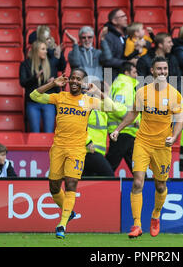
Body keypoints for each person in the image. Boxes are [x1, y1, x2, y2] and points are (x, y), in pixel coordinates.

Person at [29, 67, 117, 239]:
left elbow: (112, 107)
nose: (75, 81)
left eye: (79, 79)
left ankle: (62, 224)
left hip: (77, 149)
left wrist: (97, 91)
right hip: (58, 148)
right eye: (73, 78)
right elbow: (34, 96)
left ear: (83, 82)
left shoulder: (89, 101)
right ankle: (68, 213)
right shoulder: (60, 97)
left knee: (70, 184)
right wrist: (52, 84)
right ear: (68, 81)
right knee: (54, 186)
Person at [109, 56, 183, 238]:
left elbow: (179, 119)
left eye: (165, 69)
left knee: (160, 186)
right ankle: (136, 225)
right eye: (159, 69)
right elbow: (133, 113)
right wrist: (119, 129)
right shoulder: (142, 92)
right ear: (152, 71)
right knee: (137, 182)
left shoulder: (174, 94)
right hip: (142, 141)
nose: (162, 72)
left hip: (162, 146)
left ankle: (156, 216)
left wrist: (173, 137)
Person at [19, 40, 66, 133]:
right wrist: (35, 78)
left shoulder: (50, 63)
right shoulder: (26, 64)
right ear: (36, 51)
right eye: (43, 49)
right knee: (34, 133)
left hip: (48, 102)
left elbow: (62, 66)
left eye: (46, 49)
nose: (46, 51)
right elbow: (23, 83)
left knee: (49, 133)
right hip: (33, 103)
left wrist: (53, 82)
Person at [106, 62, 139, 173]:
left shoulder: (121, 83)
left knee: (137, 168)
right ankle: (94, 184)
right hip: (123, 131)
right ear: (126, 72)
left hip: (125, 131)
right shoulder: (125, 84)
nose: (136, 75)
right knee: (110, 166)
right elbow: (119, 107)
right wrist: (131, 120)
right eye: (134, 72)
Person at [82, 78, 115, 177]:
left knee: (86, 180)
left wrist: (99, 92)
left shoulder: (101, 108)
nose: (105, 95)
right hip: (89, 151)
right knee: (109, 176)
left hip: (97, 152)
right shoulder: (86, 105)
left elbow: (112, 107)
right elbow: (79, 127)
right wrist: (87, 142)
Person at [102, 8, 129, 80]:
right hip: (112, 76)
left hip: (125, 74)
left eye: (125, 16)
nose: (126, 18)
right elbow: (107, 60)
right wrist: (127, 62)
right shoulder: (107, 37)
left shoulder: (128, 34)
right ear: (114, 21)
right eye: (122, 16)